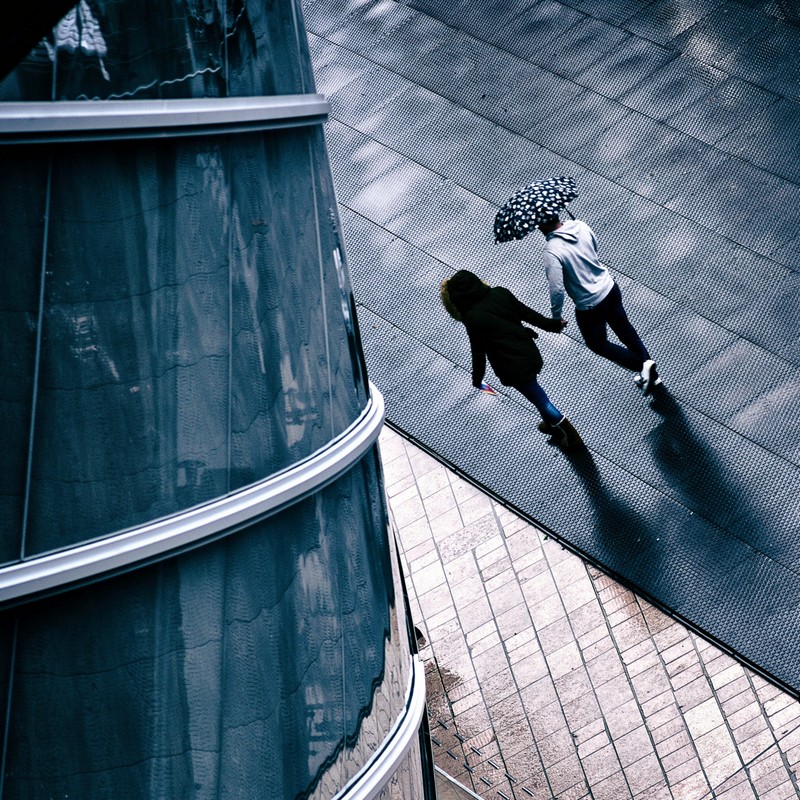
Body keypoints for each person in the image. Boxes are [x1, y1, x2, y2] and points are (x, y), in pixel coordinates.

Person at [441, 269, 583, 449]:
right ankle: (549, 424)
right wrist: (554, 325)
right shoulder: (500, 293)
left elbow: (478, 352)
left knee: (541, 400)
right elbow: (529, 315)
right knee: (535, 393)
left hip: (511, 367)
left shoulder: (472, 317)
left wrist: (477, 379)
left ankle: (572, 437)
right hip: (528, 352)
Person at [537, 214, 660, 395]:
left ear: (542, 225)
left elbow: (556, 288)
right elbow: (593, 248)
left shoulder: (551, 250)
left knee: (597, 343)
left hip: (590, 305)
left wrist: (556, 317)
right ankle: (652, 375)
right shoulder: (580, 225)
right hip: (609, 287)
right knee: (625, 329)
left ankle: (641, 365)